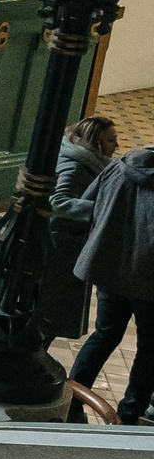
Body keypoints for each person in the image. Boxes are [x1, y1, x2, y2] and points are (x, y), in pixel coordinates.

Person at [73, 131, 154, 422]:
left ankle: (72, 400)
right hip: (150, 281)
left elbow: (89, 204)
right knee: (149, 348)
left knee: (105, 335)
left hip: (111, 269)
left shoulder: (120, 166)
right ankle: (131, 413)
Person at [47, 117, 115, 389]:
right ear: (94, 141)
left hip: (72, 245)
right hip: (62, 247)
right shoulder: (75, 164)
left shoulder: (91, 163)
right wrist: (103, 212)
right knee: (52, 309)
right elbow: (59, 202)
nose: (116, 145)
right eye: (110, 140)